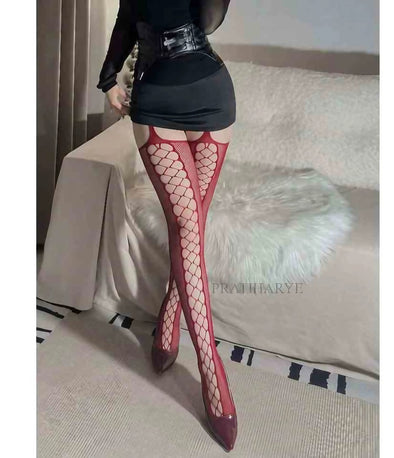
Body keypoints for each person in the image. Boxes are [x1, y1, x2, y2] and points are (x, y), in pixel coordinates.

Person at [97, 0, 237, 451]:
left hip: (212, 96)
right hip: (155, 102)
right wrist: (108, 78)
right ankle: (212, 372)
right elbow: (126, 20)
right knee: (187, 228)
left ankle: (170, 319)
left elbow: (210, 21)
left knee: (190, 229)